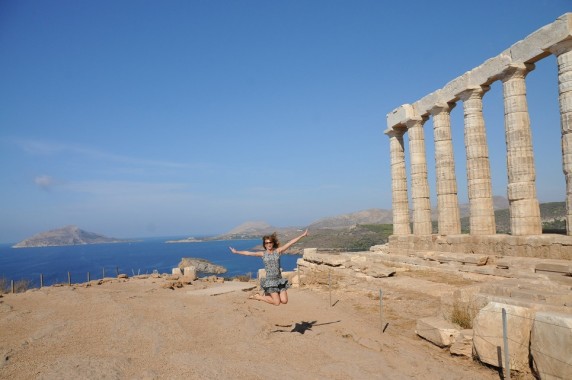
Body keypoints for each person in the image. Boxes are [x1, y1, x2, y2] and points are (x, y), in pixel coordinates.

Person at [229, 229, 308, 306]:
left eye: (270, 242)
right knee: (277, 303)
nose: (268, 244)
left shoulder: (278, 251)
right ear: (264, 244)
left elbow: (290, 243)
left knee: (284, 301)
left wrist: (302, 235)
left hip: (279, 280)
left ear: (273, 243)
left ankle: (267, 295)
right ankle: (258, 297)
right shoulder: (262, 254)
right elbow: (248, 253)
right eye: (266, 243)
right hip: (270, 281)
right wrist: (236, 252)